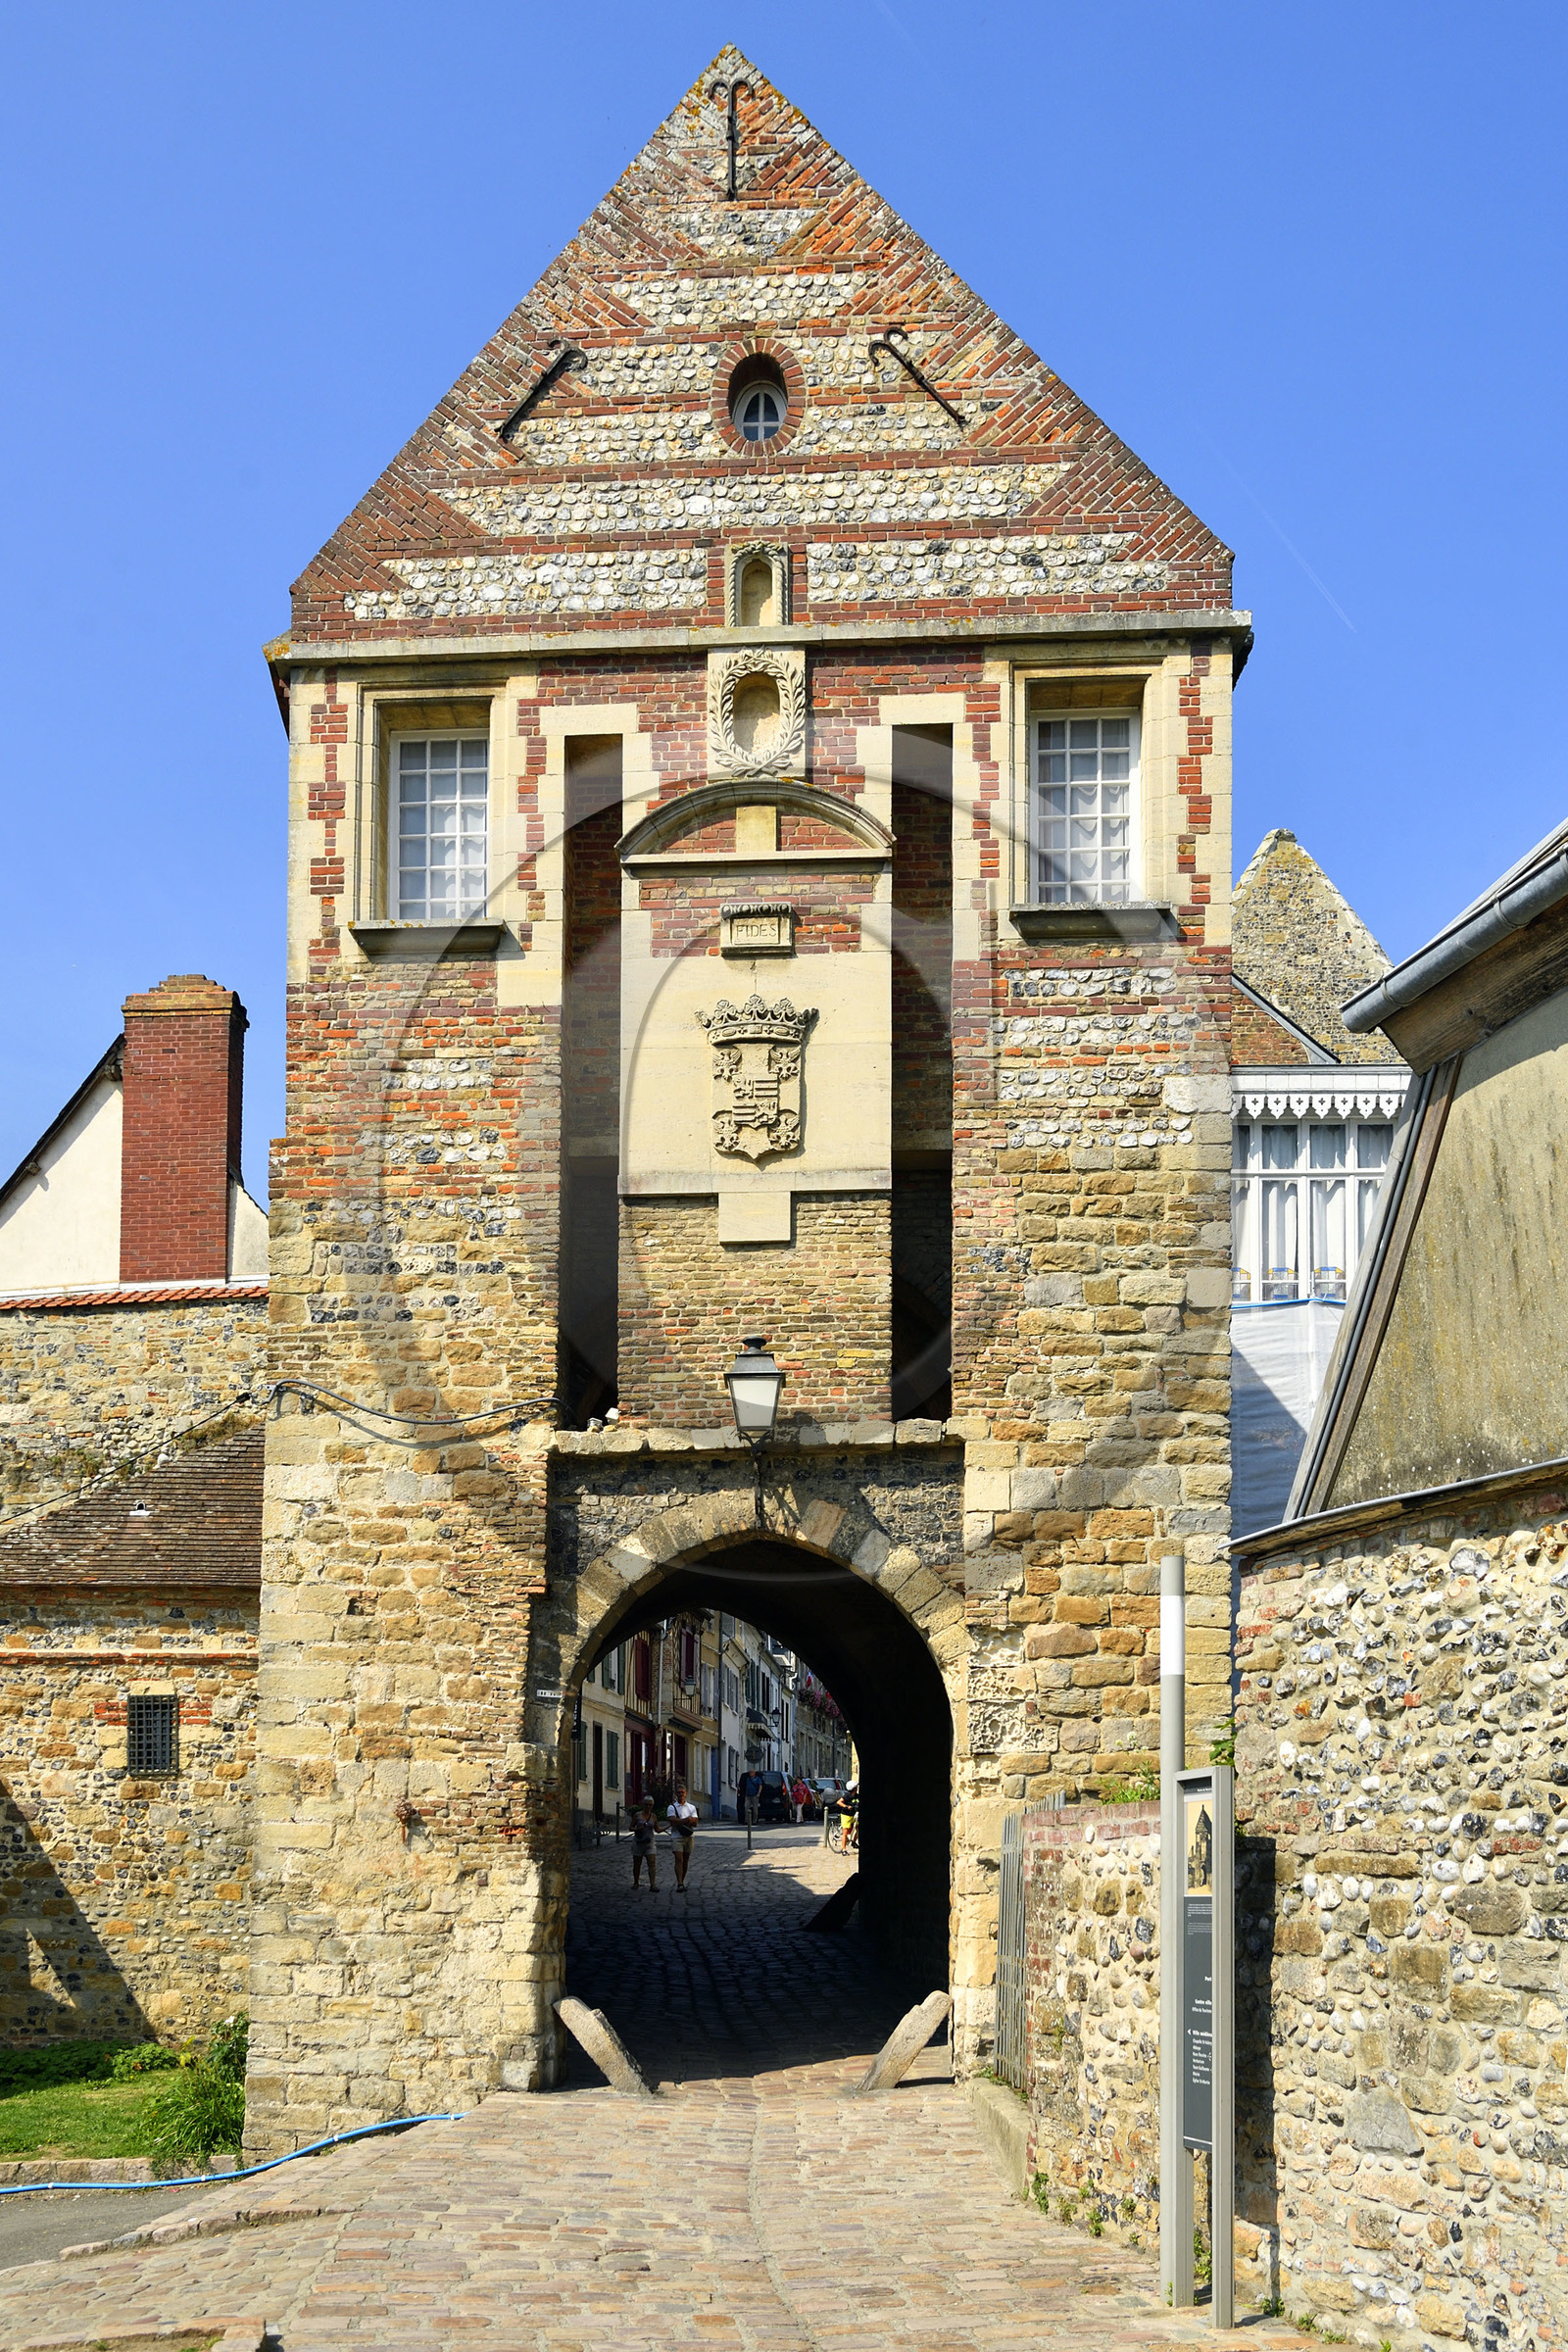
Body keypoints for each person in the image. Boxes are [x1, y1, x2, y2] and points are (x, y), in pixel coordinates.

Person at [666, 1779, 699, 1889]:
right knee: (678, 1859)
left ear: (686, 1794)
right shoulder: (672, 1807)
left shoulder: (691, 1807)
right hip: (677, 1837)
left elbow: (695, 1822)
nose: (681, 1794)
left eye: (682, 1792)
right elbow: (672, 1821)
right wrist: (687, 1820)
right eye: (679, 1792)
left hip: (689, 1837)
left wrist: (684, 1821)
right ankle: (679, 1883)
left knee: (685, 1860)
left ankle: (682, 1880)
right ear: (676, 1794)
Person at [631, 1796, 658, 1890]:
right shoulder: (637, 1815)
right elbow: (631, 1827)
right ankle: (636, 1882)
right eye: (646, 1804)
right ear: (643, 1804)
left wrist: (670, 1825)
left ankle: (653, 1884)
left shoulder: (653, 1816)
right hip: (638, 1842)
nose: (648, 1806)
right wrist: (638, 1829)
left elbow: (657, 1829)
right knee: (637, 1863)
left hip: (649, 1842)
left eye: (650, 1805)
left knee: (652, 1862)